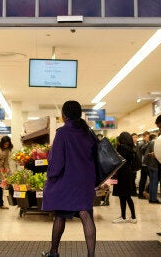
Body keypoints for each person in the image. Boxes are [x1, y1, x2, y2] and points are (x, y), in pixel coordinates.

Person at [42, 100, 96, 257]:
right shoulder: (88, 133)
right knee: (86, 215)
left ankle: (53, 252)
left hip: (67, 182)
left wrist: (50, 176)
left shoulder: (62, 133)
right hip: (85, 181)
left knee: (60, 216)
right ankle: (91, 255)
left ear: (64, 115)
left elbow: (57, 163)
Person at [112, 132, 137, 224]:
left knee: (123, 195)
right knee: (126, 195)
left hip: (122, 173)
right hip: (129, 172)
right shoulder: (131, 148)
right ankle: (131, 216)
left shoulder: (121, 147)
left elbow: (117, 160)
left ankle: (125, 216)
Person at [145, 133, 160, 203]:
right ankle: (153, 199)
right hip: (155, 165)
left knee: (152, 182)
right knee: (154, 182)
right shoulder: (155, 142)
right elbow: (156, 153)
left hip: (150, 165)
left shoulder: (149, 143)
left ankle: (151, 198)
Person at [137, 131, 151, 199]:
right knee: (148, 178)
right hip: (144, 164)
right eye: (148, 137)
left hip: (143, 164)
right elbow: (141, 152)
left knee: (143, 179)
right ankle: (145, 192)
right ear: (144, 137)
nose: (148, 138)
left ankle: (141, 194)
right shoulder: (142, 143)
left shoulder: (144, 143)